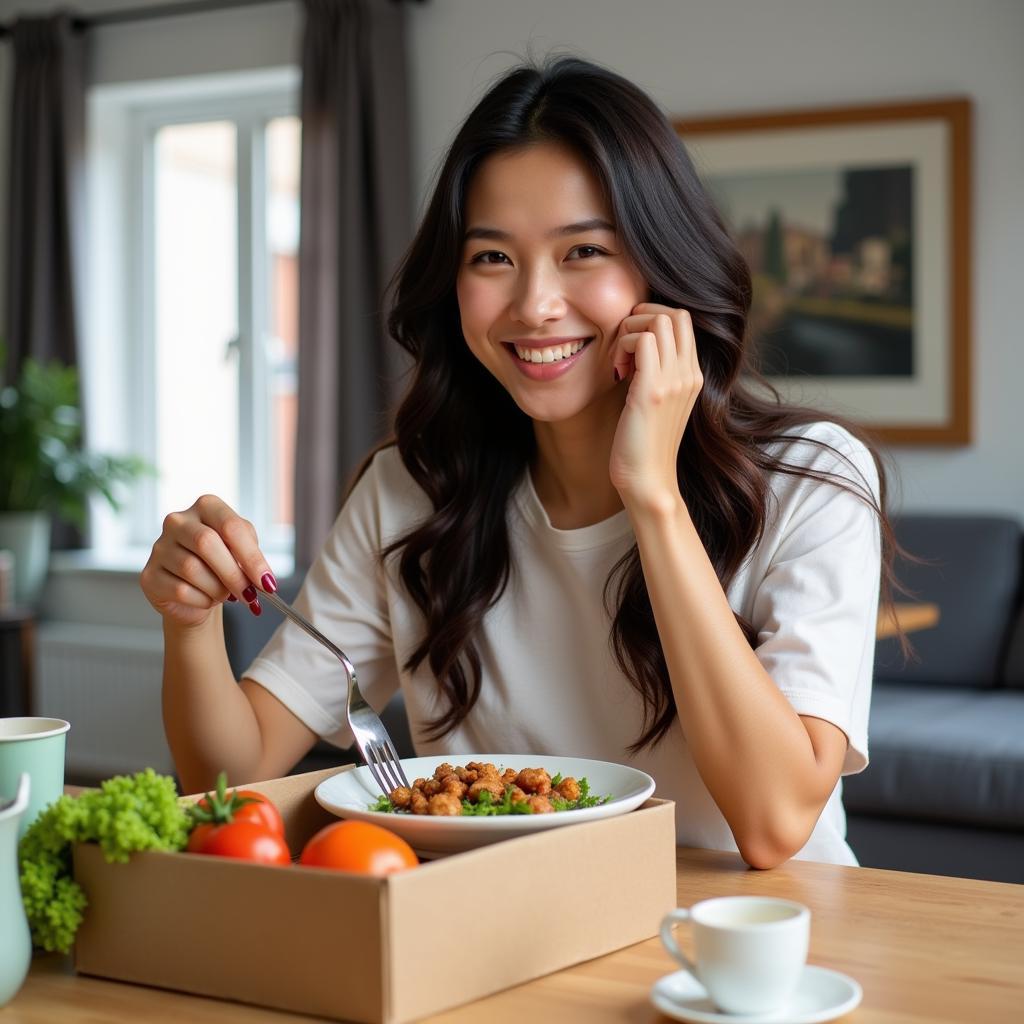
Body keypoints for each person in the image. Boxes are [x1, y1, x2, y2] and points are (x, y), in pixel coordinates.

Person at [142, 54, 901, 869]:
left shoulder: (811, 479)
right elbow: (229, 773)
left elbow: (774, 823)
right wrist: (189, 622)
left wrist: (651, 495)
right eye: (492, 258)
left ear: (661, 265)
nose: (536, 304)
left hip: (747, 949)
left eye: (584, 252)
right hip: (500, 935)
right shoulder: (411, 490)